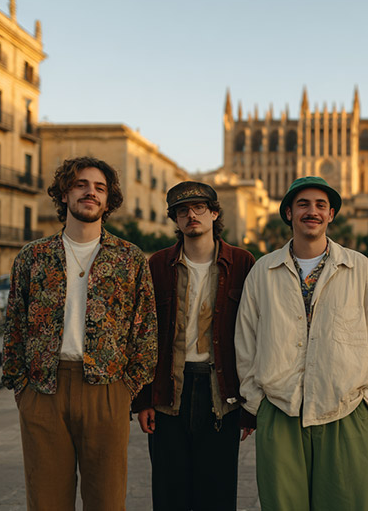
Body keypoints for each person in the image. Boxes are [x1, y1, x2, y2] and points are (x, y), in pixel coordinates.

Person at [2, 156, 157, 510]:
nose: (91, 192)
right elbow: (14, 325)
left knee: (107, 500)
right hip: (43, 391)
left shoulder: (129, 259)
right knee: (46, 500)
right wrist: (20, 387)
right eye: (81, 185)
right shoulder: (33, 256)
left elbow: (146, 329)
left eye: (99, 187)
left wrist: (126, 389)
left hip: (106, 392)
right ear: (64, 194)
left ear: (108, 199)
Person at [235, 176, 368, 511]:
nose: (312, 211)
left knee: (346, 502)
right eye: (303, 204)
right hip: (280, 408)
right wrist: (255, 398)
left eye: (321, 205)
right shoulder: (264, 271)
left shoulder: (358, 268)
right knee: (282, 504)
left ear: (331, 214)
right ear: (288, 213)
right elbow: (245, 339)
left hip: (344, 408)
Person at [132, 181, 255, 510]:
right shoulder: (158, 265)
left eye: (199, 208)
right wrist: (143, 400)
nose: (191, 215)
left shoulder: (243, 263)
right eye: (182, 211)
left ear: (215, 213)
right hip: (169, 393)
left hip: (221, 394)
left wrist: (250, 407)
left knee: (217, 492)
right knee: (170, 493)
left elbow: (254, 335)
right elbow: (144, 335)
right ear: (175, 219)